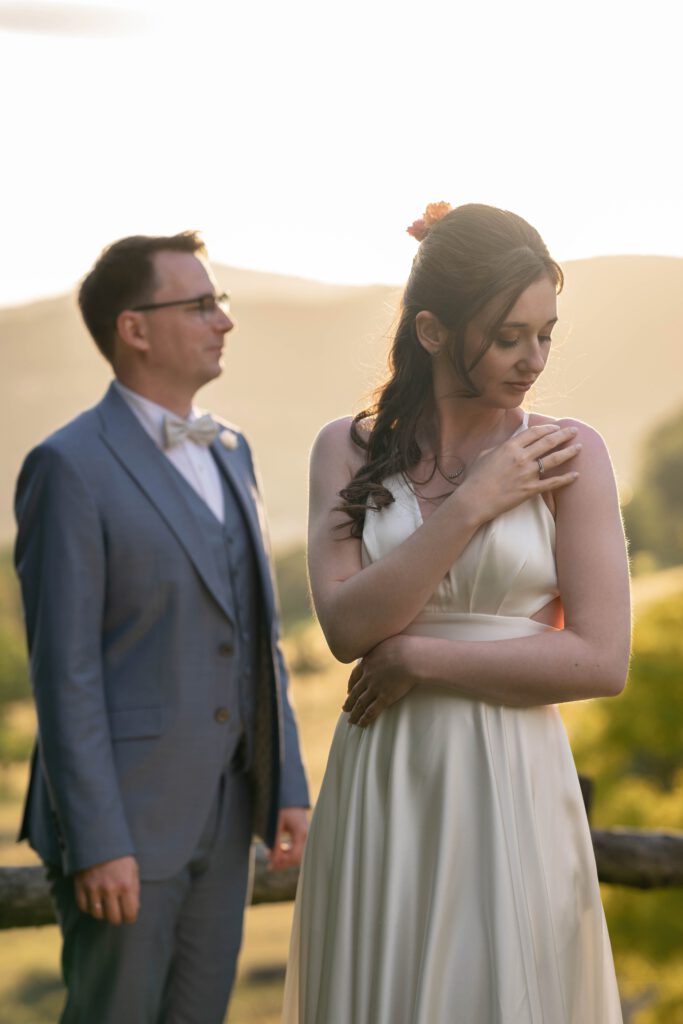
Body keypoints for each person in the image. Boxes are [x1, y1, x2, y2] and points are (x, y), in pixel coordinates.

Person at [282, 203, 629, 1023]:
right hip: (387, 778)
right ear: (432, 331)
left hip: (511, 770)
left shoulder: (568, 454)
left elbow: (598, 660)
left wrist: (422, 659)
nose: (532, 360)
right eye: (508, 336)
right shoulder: (347, 447)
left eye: (545, 333)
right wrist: (472, 503)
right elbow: (345, 628)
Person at [13, 231, 310, 1024]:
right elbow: (63, 672)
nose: (224, 321)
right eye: (201, 304)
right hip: (126, 823)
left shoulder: (232, 450)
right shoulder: (68, 466)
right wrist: (100, 838)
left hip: (228, 809)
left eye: (222, 302)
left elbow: (259, 638)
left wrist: (286, 782)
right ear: (134, 329)